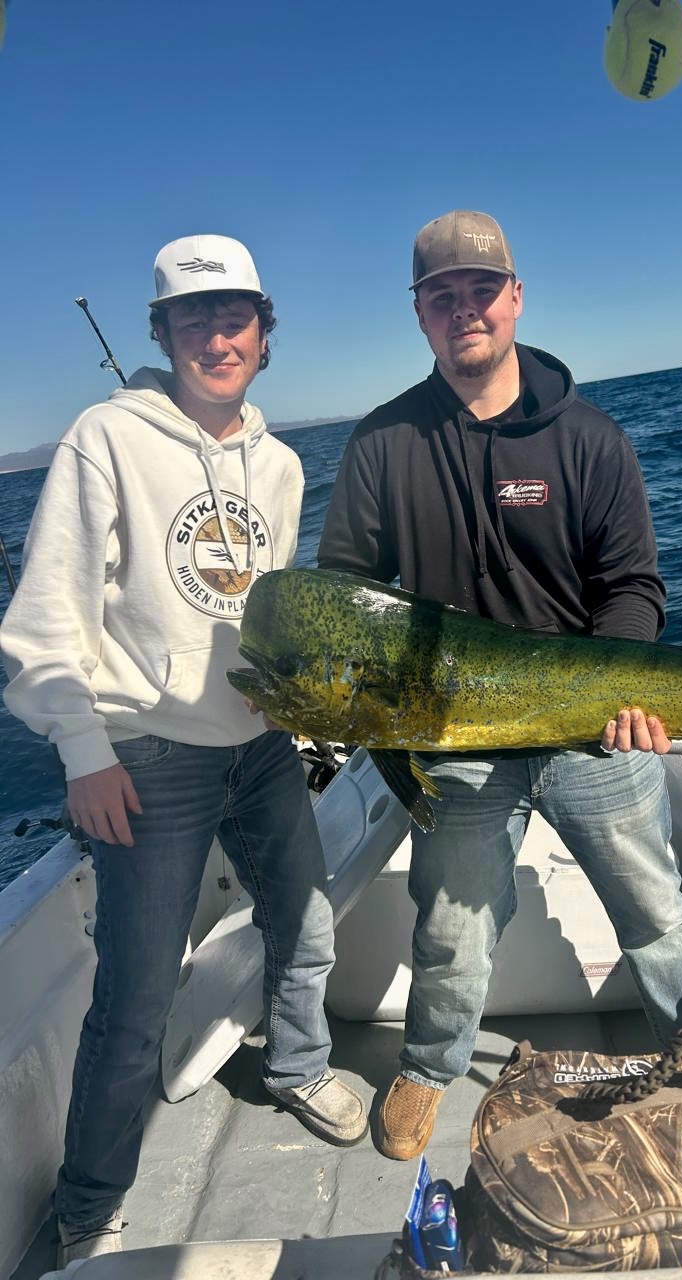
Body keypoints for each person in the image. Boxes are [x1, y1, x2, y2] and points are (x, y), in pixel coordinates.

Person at [317, 209, 682, 1162]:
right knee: (451, 926)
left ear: (516, 298)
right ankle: (428, 1065)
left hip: (594, 737)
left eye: (481, 291)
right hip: (455, 738)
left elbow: (634, 588)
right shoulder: (382, 445)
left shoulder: (591, 439)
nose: (465, 310)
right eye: (442, 296)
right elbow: (346, 596)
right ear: (419, 315)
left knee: (654, 912)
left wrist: (623, 688)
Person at [1, 235, 366, 1265]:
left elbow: (269, 618)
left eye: (236, 315)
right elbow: (45, 618)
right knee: (137, 989)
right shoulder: (105, 438)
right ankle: (89, 1201)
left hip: (259, 739)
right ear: (160, 331)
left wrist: (298, 700)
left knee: (306, 914)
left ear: (264, 333)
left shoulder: (285, 466)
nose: (218, 333)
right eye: (194, 316)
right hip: (146, 752)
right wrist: (84, 749)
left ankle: (299, 1064)